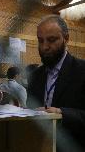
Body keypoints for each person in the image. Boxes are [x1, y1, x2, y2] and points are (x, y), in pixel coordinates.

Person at [27, 15, 85, 151]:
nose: (45, 47)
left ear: (66, 38)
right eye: (40, 41)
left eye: (51, 40)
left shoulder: (82, 71)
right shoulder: (35, 76)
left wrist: (61, 114)